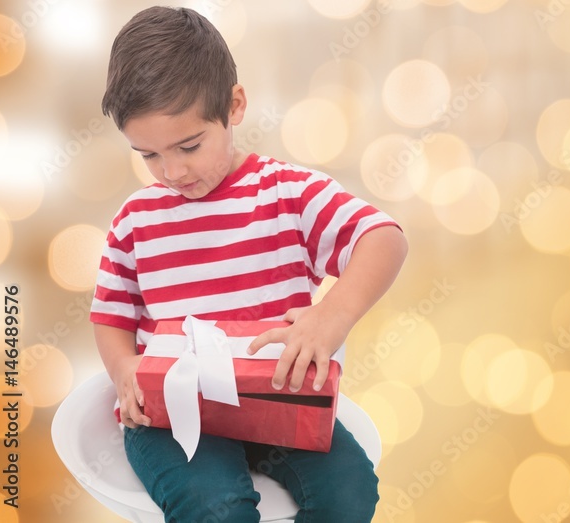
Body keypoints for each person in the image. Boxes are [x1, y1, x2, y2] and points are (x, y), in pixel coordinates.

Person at [89, 6, 407, 522]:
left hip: (274, 398)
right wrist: (124, 367)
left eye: (189, 145)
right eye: (148, 155)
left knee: (350, 493)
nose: (172, 171)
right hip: (172, 408)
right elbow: (111, 316)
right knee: (217, 508)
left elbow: (384, 238)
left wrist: (331, 316)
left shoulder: (287, 193)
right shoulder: (135, 218)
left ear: (234, 106)